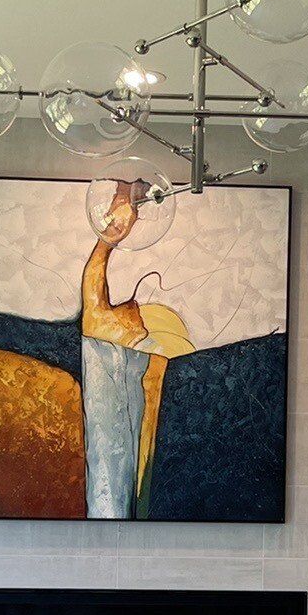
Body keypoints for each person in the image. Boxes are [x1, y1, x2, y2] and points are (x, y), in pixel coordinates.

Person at [79, 181, 195, 518]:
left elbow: (94, 297)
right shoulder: (112, 337)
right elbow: (94, 296)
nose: (127, 305)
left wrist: (109, 238)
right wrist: (110, 237)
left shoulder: (132, 337)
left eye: (130, 305)